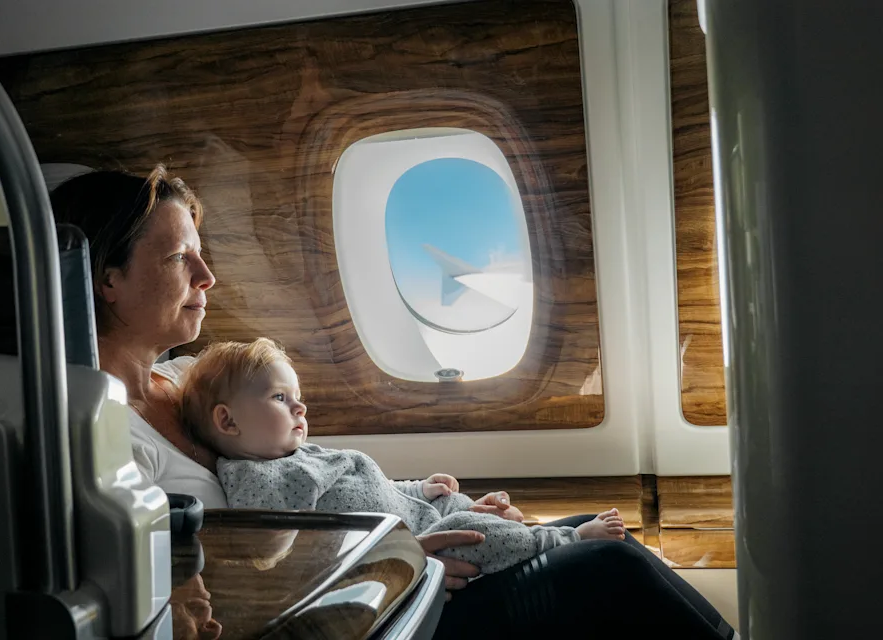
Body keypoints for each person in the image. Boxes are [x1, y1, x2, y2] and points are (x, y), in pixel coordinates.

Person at [50, 166, 736, 639]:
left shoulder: (189, 376)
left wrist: (436, 513)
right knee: (608, 569)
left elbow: (318, 477)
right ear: (104, 277)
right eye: (180, 259)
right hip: (361, 607)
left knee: (597, 528)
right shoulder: (102, 436)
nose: (208, 276)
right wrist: (404, 556)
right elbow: (212, 593)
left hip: (396, 562)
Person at [178, 338, 627, 575]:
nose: (300, 408)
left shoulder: (300, 454)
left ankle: (520, 527)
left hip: (417, 513)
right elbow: (282, 552)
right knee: (476, 532)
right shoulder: (257, 480)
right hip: (411, 541)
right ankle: (564, 540)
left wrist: (421, 488)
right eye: (280, 397)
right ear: (228, 421)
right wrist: (389, 556)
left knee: (466, 509)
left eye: (297, 396)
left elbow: (376, 488)